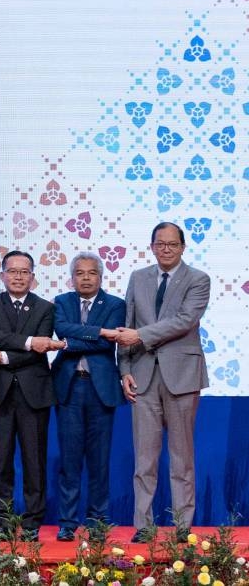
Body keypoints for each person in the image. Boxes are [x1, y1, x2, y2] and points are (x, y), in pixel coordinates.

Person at [117, 222, 210, 543]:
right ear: (152, 246)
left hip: (182, 376)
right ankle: (143, 525)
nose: (166, 249)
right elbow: (125, 326)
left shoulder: (198, 279)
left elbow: (185, 320)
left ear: (183, 247)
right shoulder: (137, 278)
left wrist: (141, 336)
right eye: (160, 244)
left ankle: (183, 527)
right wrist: (124, 368)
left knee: (182, 457)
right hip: (142, 376)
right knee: (144, 457)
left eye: (172, 244)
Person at [0, 250, 64, 541]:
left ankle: (32, 522)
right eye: (12, 271)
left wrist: (3, 357)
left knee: (34, 459)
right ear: (2, 275)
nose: (18, 276)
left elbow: (39, 351)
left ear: (33, 277)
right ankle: (3, 521)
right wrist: (29, 342)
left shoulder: (45, 308)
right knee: (0, 460)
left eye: (24, 271)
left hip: (34, 392)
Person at [51, 252, 125, 542]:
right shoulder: (62, 302)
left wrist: (79, 340)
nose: (85, 278)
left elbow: (108, 344)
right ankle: (68, 522)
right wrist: (99, 332)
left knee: (99, 459)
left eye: (91, 273)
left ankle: (97, 522)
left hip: (100, 388)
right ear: (72, 277)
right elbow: (62, 330)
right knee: (69, 460)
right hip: (69, 386)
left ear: (100, 276)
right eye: (79, 273)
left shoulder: (116, 304)